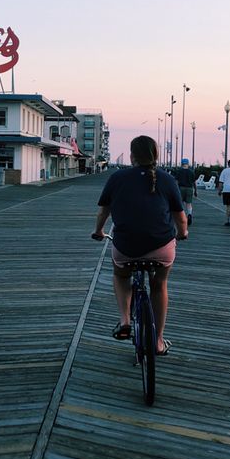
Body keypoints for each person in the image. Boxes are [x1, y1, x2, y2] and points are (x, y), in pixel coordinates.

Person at [92, 135, 188, 356]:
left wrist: (98, 231)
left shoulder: (117, 178)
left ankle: (125, 320)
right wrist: (183, 234)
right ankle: (158, 341)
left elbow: (103, 213)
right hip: (161, 246)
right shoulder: (166, 179)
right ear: (156, 154)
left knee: (121, 275)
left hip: (126, 246)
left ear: (132, 155)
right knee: (159, 284)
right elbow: (181, 219)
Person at [174, 157, 197, 225]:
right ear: (188, 164)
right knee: (189, 204)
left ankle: (182, 217)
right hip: (190, 188)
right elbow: (194, 182)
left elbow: (176, 181)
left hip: (181, 188)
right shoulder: (191, 172)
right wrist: (195, 191)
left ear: (182, 164)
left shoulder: (179, 171)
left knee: (181, 203)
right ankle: (189, 214)